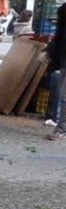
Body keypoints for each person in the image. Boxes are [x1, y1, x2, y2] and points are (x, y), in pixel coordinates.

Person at [45, 2, 66, 140]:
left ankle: (62, 128)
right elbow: (59, 36)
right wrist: (51, 53)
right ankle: (62, 127)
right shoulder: (64, 11)